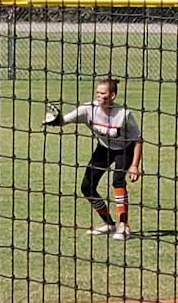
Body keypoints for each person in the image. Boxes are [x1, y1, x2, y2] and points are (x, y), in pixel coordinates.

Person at [44, 77, 143, 240]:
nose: (98, 96)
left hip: (124, 150)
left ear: (112, 96)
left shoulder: (124, 114)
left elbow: (138, 139)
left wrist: (134, 165)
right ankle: (109, 224)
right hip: (103, 149)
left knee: (118, 181)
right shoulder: (88, 109)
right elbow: (63, 121)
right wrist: (53, 120)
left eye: (102, 93)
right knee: (87, 187)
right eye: (97, 92)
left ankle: (123, 226)